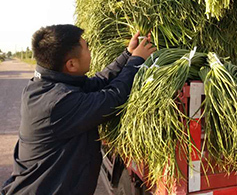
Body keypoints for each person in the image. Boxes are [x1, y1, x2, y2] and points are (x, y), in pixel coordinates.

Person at [1, 24, 156, 195]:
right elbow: (112, 98)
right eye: (87, 48)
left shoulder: (48, 84)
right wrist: (136, 61)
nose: (90, 53)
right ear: (72, 64)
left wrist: (127, 54)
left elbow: (97, 83)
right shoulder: (57, 102)